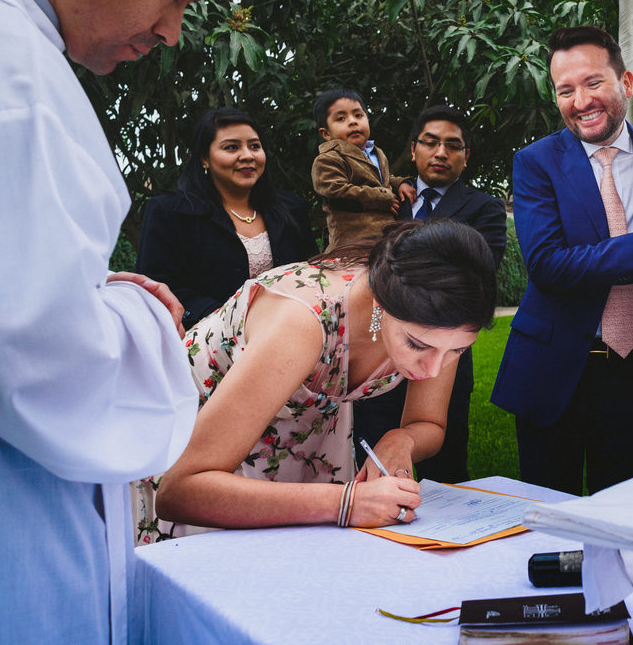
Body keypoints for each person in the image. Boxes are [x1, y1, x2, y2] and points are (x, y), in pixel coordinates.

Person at [0, 0, 250, 642]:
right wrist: (137, 323)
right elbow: (29, 348)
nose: (170, 32)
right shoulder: (13, 75)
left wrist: (91, 289)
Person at [134, 220, 497, 540]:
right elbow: (180, 491)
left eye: (457, 352)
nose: (434, 369)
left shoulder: (440, 324)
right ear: (381, 304)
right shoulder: (303, 322)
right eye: (417, 345)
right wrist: (344, 502)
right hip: (194, 431)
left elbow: (428, 423)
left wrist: (401, 440)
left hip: (298, 441)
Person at [491, 26, 633, 495]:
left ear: (627, 82)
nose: (580, 101)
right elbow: (548, 265)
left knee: (622, 518)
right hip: (553, 372)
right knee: (546, 523)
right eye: (565, 90)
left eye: (593, 83)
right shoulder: (535, 163)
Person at [354, 105, 507, 482]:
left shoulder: (484, 207)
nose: (441, 152)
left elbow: (481, 271)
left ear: (466, 156)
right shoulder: (384, 200)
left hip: (445, 350)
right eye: (431, 142)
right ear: (413, 148)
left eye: (453, 146)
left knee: (446, 453)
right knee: (369, 441)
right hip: (379, 338)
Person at [137, 107, 316, 328]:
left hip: (290, 332)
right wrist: (232, 319)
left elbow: (309, 273)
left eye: (254, 146)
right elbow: (157, 285)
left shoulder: (291, 209)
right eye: (231, 147)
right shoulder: (170, 212)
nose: (247, 156)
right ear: (205, 159)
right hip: (206, 338)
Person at [311, 87, 415, 248]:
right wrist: (381, 197)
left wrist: (399, 183)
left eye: (358, 115)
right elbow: (335, 190)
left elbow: (382, 179)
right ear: (326, 134)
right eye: (341, 118)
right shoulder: (328, 158)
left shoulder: (375, 152)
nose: (353, 121)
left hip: (385, 238)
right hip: (353, 241)